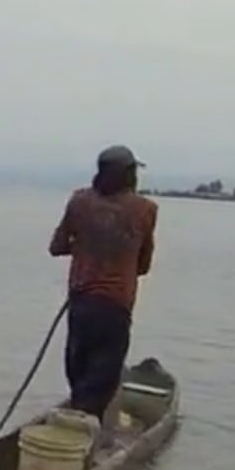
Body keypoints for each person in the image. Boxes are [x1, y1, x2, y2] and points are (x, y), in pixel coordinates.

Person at [48, 145, 159, 428]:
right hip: (115, 306)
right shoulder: (145, 210)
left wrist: (86, 246)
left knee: (80, 372)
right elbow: (143, 266)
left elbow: (57, 246)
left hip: (81, 303)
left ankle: (75, 427)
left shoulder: (79, 202)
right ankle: (84, 435)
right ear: (131, 175)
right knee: (101, 381)